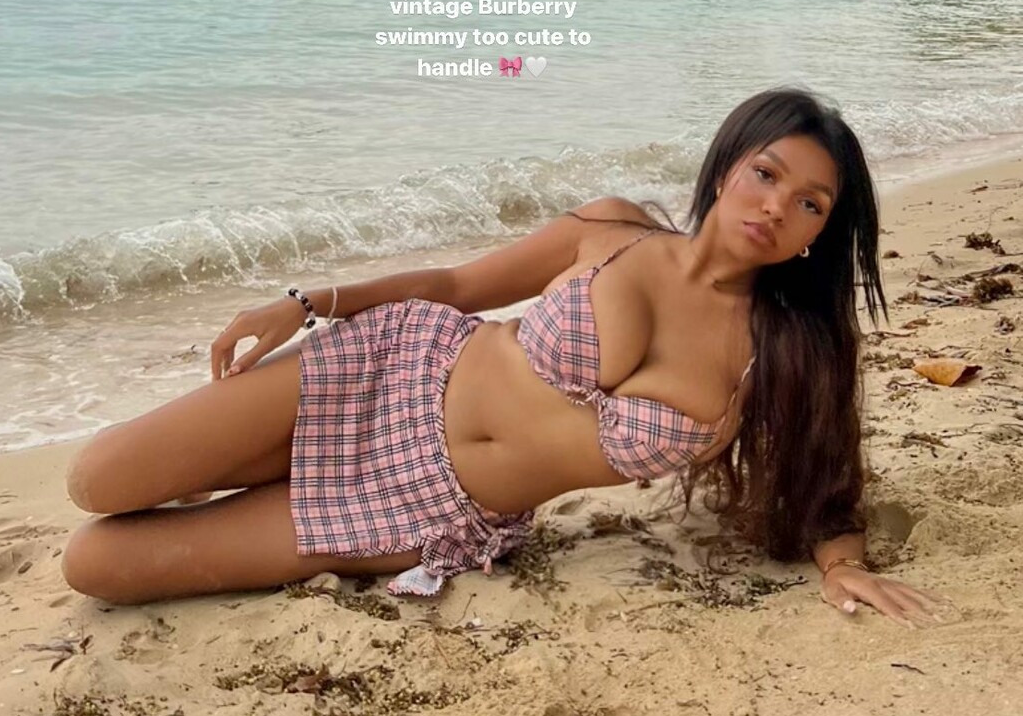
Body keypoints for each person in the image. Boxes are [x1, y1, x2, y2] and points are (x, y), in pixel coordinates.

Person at [62, 88, 940, 623]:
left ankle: (230, 480)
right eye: (767, 173)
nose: (777, 206)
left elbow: (826, 481)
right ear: (724, 170)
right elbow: (455, 285)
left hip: (429, 508)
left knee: (94, 565)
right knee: (98, 479)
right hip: (388, 374)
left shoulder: (778, 355)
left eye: (811, 203)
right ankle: (219, 465)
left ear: (817, 238)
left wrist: (844, 567)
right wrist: (302, 304)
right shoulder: (612, 228)